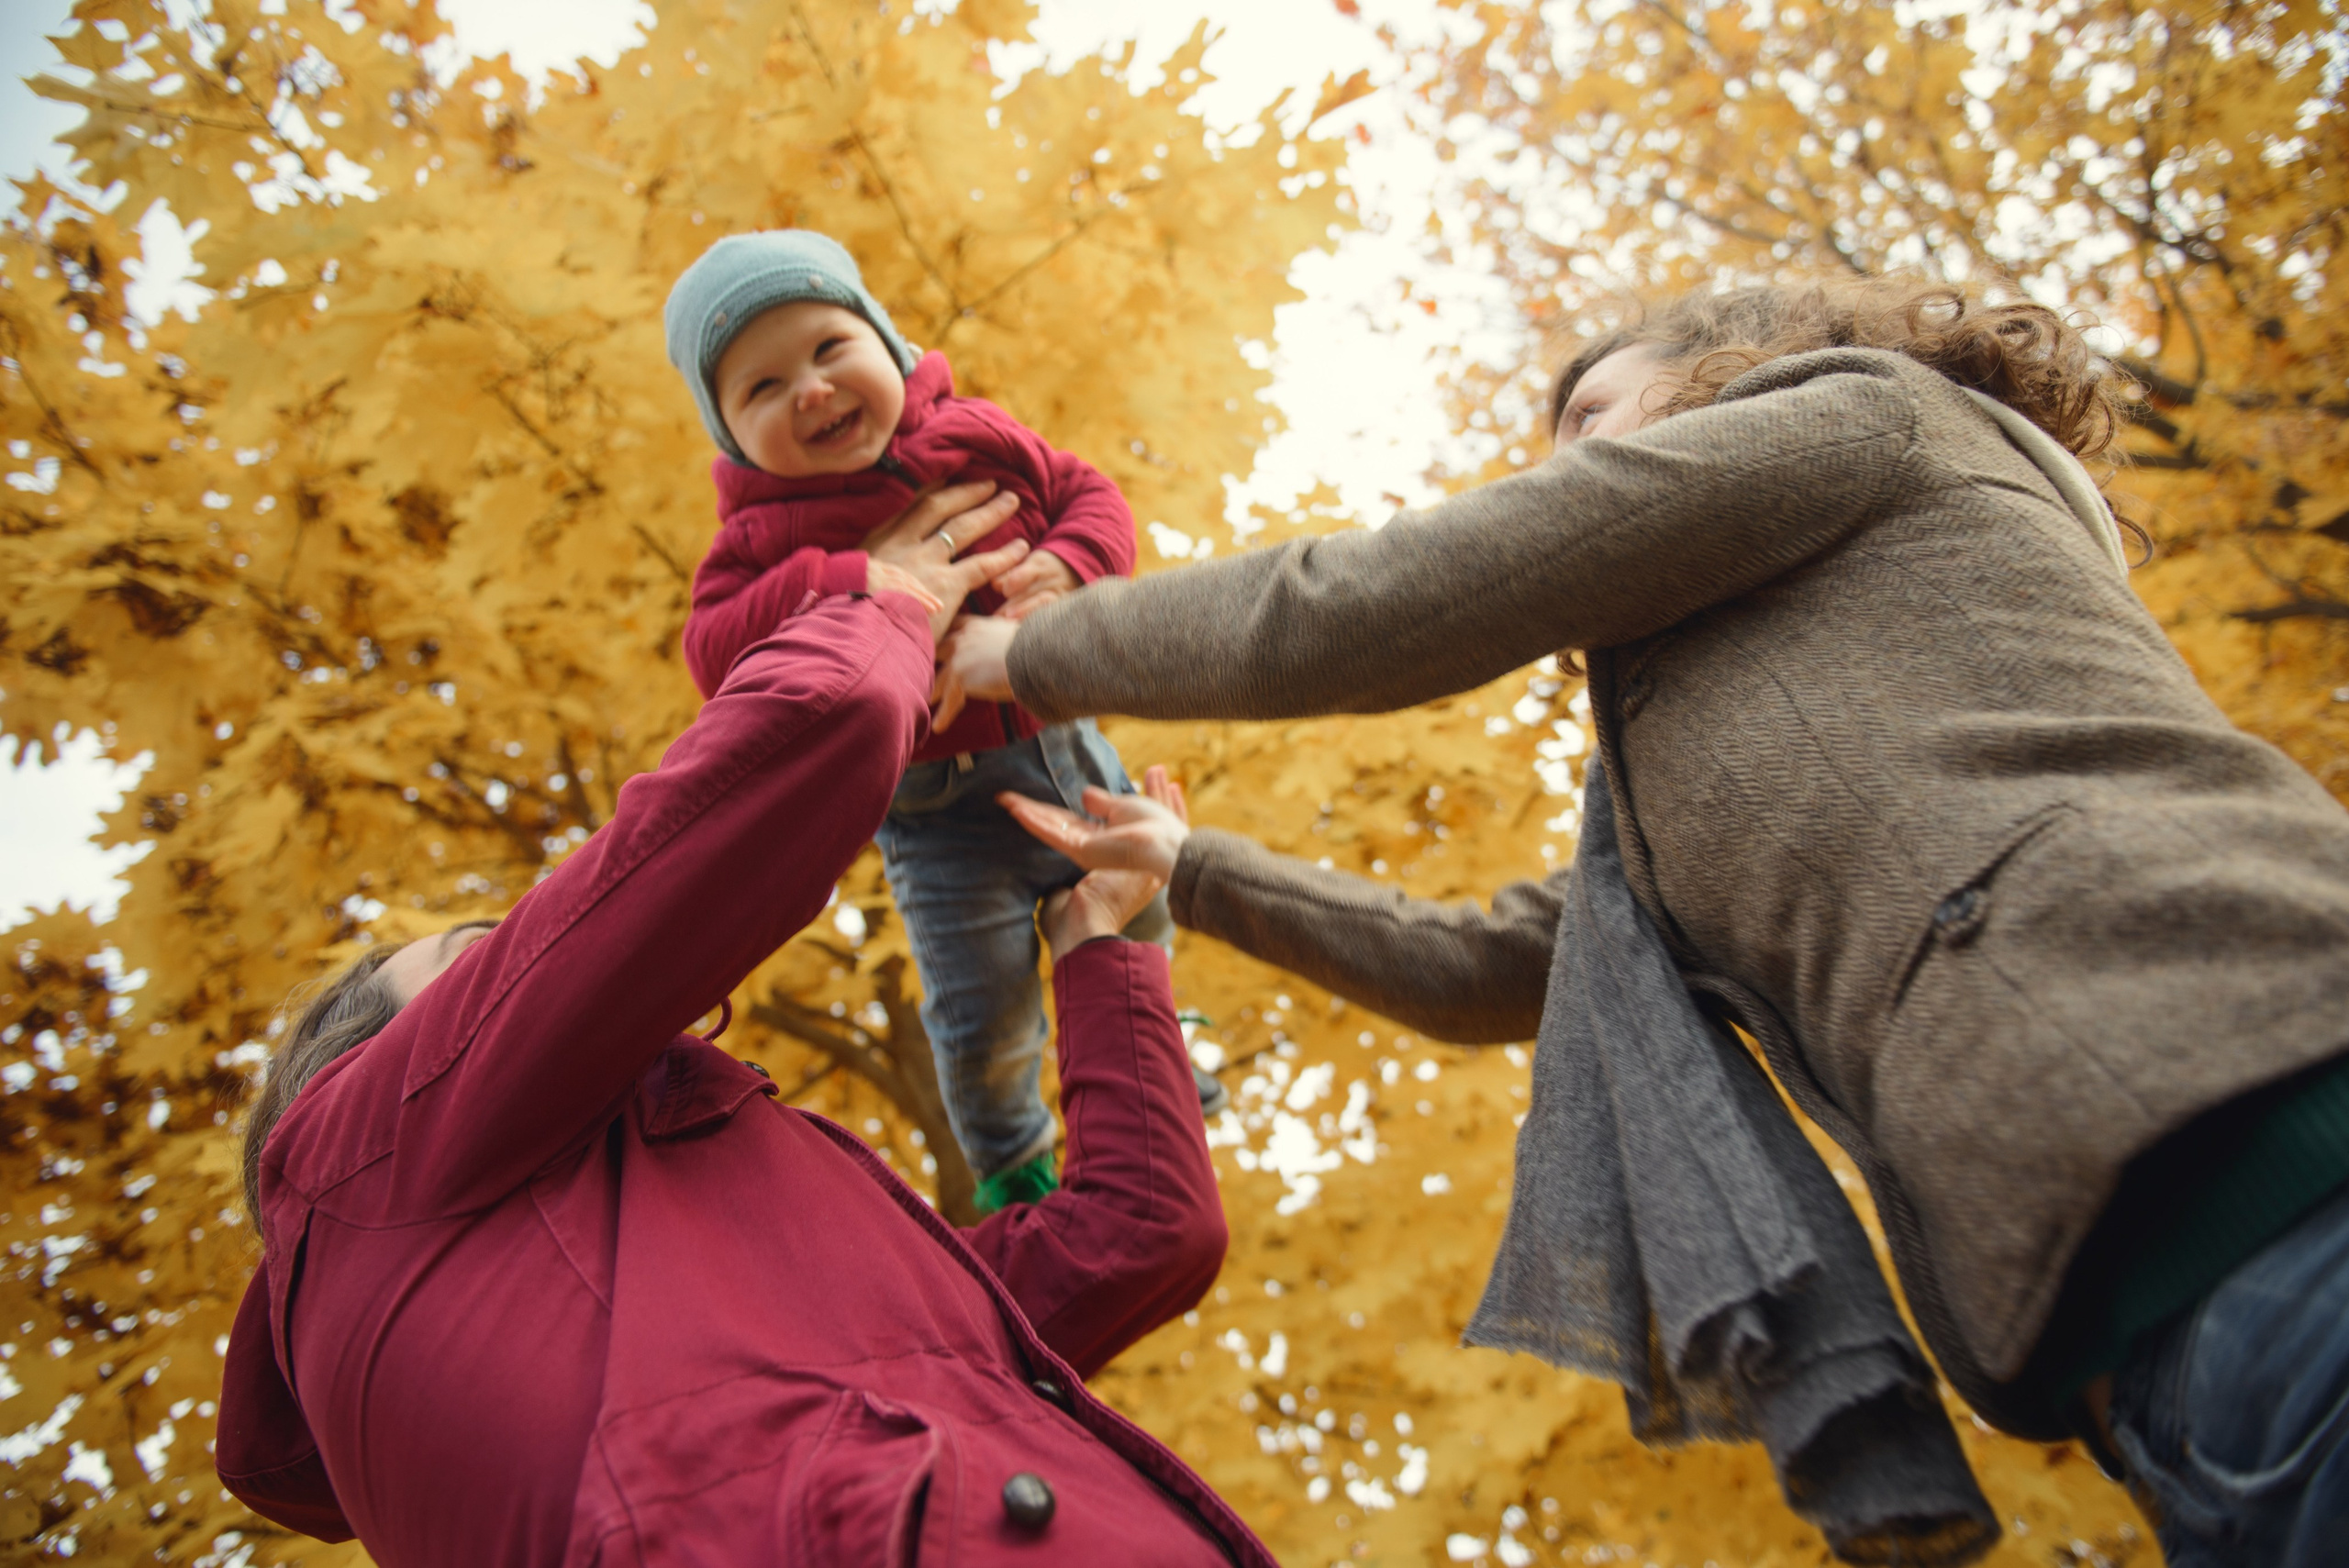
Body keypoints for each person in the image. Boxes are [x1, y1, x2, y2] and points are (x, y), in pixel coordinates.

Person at [952, 279, 2349, 1567]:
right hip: (2164, 1390)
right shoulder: (1697, 761)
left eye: (1590, 417)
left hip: (2277, 1162)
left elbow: (1386, 601)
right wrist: (1193, 868)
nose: (1561, 467)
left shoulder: (1858, 414)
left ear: (1731, 369)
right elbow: (1488, 963)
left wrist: (1031, 654)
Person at [214, 485, 1268, 1568]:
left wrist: (1105, 947)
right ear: (353, 1076)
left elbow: (1141, 1231)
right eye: (474, 960)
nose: (523, 955)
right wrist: (884, 596)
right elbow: (827, 720)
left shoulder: (743, 1229)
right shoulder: (370, 1145)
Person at [663, 228, 1221, 1216]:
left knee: (1143, 902)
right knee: (980, 1016)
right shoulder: (757, 538)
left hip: (1062, 745)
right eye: (760, 387)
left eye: (831, 348)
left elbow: (1086, 490)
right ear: (732, 439)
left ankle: (1162, 1060)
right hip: (932, 815)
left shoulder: (970, 431)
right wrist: (849, 580)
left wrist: (1074, 562)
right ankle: (1013, 1165)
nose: (810, 388)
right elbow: (713, 649)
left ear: (888, 342)